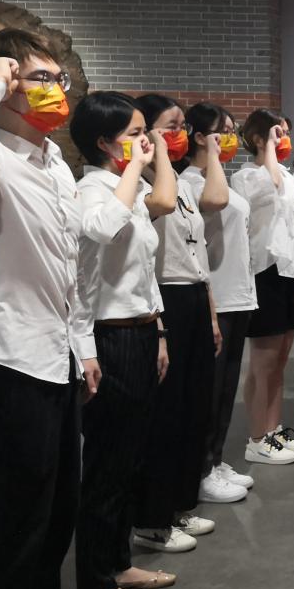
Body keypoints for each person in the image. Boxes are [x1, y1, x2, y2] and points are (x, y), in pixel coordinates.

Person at [0, 31, 125, 589]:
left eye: (60, 78)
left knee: (54, 514)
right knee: (5, 523)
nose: (57, 89)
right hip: (3, 359)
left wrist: (82, 343)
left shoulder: (53, 161)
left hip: (55, 356)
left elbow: (71, 264)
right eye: (38, 77)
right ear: (1, 82)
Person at [71, 91, 177, 589]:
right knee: (107, 464)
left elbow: (144, 271)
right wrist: (135, 168)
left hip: (138, 331)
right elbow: (101, 233)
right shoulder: (92, 189)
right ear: (103, 141)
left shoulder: (126, 188)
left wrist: (158, 331)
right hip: (107, 337)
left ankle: (117, 563)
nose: (145, 142)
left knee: (129, 459)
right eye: (134, 134)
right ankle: (94, 583)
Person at [131, 94, 224, 552]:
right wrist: (160, 154)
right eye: (170, 126)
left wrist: (211, 313)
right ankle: (152, 518)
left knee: (194, 407)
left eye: (182, 126)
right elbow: (161, 208)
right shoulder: (140, 186)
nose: (180, 134)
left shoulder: (183, 185)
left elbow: (197, 253)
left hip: (193, 297)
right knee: (165, 415)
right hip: (163, 298)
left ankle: (181, 503)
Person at [181, 102, 258, 501]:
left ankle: (215, 458)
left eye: (231, 130)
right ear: (199, 137)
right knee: (210, 391)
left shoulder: (217, 176)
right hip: (216, 297)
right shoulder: (191, 182)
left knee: (228, 387)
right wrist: (211, 155)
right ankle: (200, 469)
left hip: (238, 295)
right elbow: (215, 202)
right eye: (222, 132)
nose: (230, 138)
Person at [233, 109, 294, 465]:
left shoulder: (289, 177)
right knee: (262, 363)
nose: (285, 139)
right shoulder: (245, 177)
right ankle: (256, 438)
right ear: (259, 138)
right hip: (264, 273)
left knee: (280, 361)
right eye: (279, 133)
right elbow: (271, 187)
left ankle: (274, 429)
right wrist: (267, 147)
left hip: (290, 273)